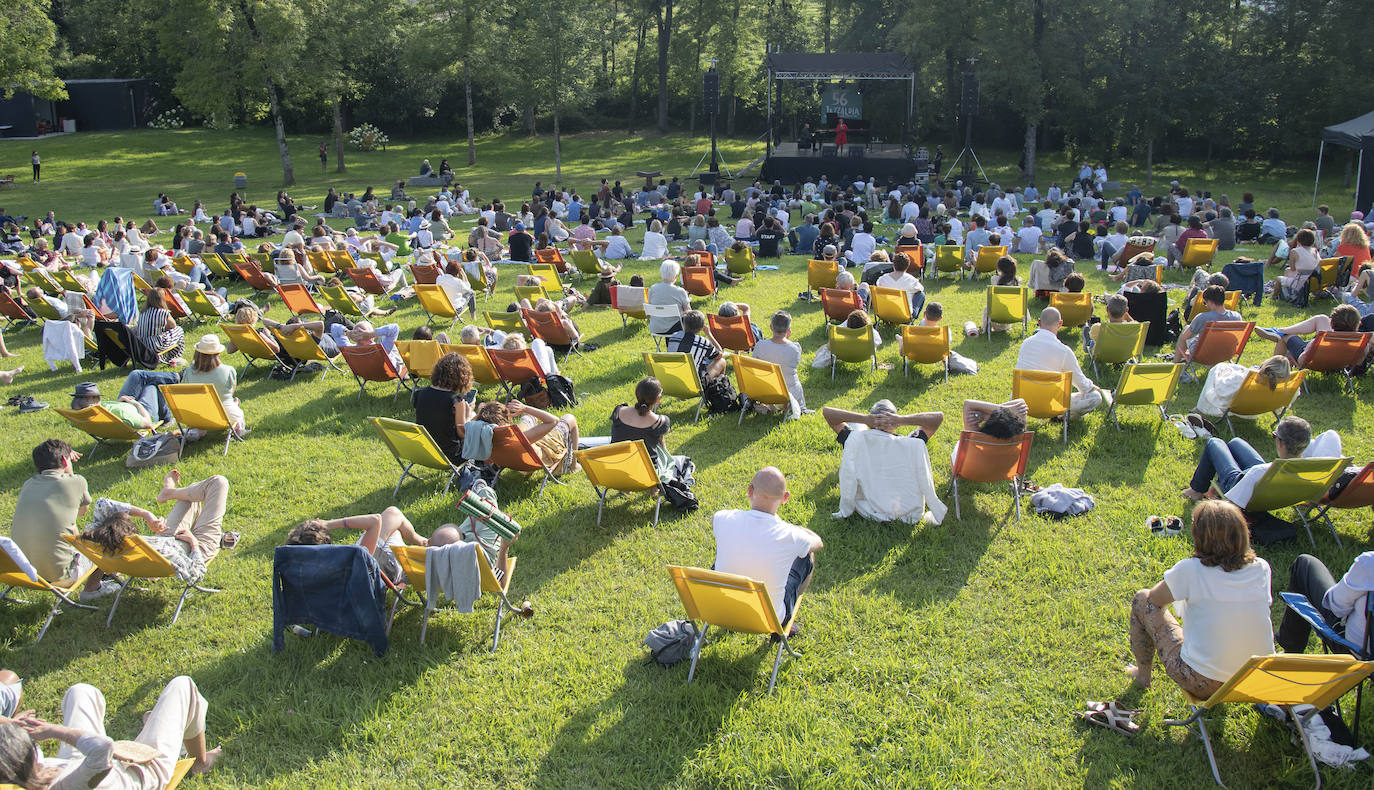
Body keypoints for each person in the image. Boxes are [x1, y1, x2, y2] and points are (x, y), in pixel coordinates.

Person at [1124, 500, 1273, 700]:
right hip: (1255, 679)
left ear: (1199, 536)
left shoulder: (1190, 570)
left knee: (1142, 599)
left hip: (1203, 682)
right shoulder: (1261, 567)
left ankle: (1143, 676)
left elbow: (1154, 599)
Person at [0, 675, 221, 788]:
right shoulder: (63, 787)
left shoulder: (16, 779)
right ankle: (200, 763)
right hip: (136, 774)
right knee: (183, 687)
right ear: (27, 760)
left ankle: (154, 727)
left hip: (78, 765)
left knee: (81, 692)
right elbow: (102, 750)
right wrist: (54, 730)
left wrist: (12, 727)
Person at [712, 467, 822, 632]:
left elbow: (719, 519)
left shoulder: (722, 518)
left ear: (750, 491)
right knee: (807, 556)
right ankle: (782, 629)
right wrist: (798, 529)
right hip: (768, 620)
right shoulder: (791, 536)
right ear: (785, 498)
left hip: (720, 612)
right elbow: (817, 543)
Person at [9, 439, 120, 600]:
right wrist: (69, 471)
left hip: (22, 571)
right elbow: (82, 512)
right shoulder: (77, 482)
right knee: (105, 535)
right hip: (60, 575)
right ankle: (92, 589)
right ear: (63, 460)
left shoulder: (28, 485)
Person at [821, 400, 946, 523]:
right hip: (907, 511)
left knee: (857, 428)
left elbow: (828, 413)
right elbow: (937, 418)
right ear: (895, 424)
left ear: (870, 424)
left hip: (868, 510)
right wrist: (901, 420)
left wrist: (864, 419)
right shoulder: (912, 444)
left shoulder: (856, 440)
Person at [1182, 415, 1339, 505]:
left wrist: (1218, 489)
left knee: (1215, 443)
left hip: (1243, 487)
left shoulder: (1261, 471)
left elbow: (1233, 500)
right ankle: (1197, 489)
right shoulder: (1315, 470)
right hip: (1270, 483)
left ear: (1279, 442)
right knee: (1236, 442)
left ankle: (1196, 490)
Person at [286, 507, 429, 581]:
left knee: (391, 527)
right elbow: (375, 520)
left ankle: (424, 542)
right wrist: (330, 523)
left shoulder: (303, 574)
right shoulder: (354, 560)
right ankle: (426, 543)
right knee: (393, 515)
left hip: (348, 589)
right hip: (387, 570)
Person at [1015, 307, 1109, 419]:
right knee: (1095, 397)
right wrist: (1094, 388)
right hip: (1050, 405)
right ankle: (1063, 417)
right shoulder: (1064, 351)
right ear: (1060, 324)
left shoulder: (1026, 344)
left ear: (1039, 322)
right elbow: (1082, 385)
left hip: (1021, 403)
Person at [1277, 550, 1374, 656]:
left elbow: (1336, 606)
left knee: (1304, 564)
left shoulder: (1369, 562)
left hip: (1357, 653)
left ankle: (1291, 654)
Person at [475, 400, 579, 477]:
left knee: (528, 417)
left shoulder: (483, 436)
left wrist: (480, 412)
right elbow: (554, 421)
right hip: (539, 457)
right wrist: (525, 408)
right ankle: (573, 467)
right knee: (570, 418)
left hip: (511, 459)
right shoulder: (517, 439)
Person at [179, 335, 247, 437]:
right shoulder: (228, 370)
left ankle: (197, 431)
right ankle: (239, 430)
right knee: (236, 410)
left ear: (197, 353)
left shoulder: (188, 372)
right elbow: (230, 391)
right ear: (218, 353)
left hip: (196, 416)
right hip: (225, 415)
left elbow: (186, 394)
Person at [611, 378, 675, 477]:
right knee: (660, 442)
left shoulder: (618, 412)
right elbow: (663, 438)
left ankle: (626, 488)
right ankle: (654, 487)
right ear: (657, 399)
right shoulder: (660, 422)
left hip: (618, 469)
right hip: (646, 474)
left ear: (637, 394)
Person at [752, 310, 808, 418]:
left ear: (771, 327)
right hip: (787, 393)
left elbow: (754, 366)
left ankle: (770, 406)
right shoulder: (795, 348)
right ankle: (786, 406)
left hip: (764, 390)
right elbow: (789, 364)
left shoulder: (760, 346)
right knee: (789, 377)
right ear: (788, 330)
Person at [1175, 285, 1242, 364]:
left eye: (1205, 303)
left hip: (1205, 355)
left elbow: (1185, 337)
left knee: (1186, 330)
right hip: (1228, 352)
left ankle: (1175, 364)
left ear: (1210, 302)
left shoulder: (1203, 318)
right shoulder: (1237, 316)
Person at [667, 309, 727, 381]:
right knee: (722, 361)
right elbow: (720, 353)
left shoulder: (673, 337)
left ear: (684, 324)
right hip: (694, 383)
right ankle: (717, 389)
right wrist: (709, 334)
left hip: (673, 379)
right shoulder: (704, 342)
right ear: (701, 328)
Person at [68, 382, 155, 431]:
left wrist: (119, 402)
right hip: (142, 411)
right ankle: (166, 419)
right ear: (95, 398)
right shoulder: (124, 415)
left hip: (122, 403)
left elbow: (108, 412)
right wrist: (137, 404)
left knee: (138, 376)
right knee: (151, 386)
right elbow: (148, 423)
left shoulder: (78, 419)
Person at [135, 288, 186, 366]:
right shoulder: (163, 312)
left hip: (141, 345)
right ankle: (175, 357)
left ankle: (165, 357)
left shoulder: (142, 312)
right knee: (179, 330)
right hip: (154, 345)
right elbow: (173, 325)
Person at [647, 260, 691, 336]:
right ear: (676, 275)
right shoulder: (680, 291)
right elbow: (688, 311)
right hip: (675, 329)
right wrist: (687, 299)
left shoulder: (653, 289)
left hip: (656, 327)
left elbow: (650, 306)